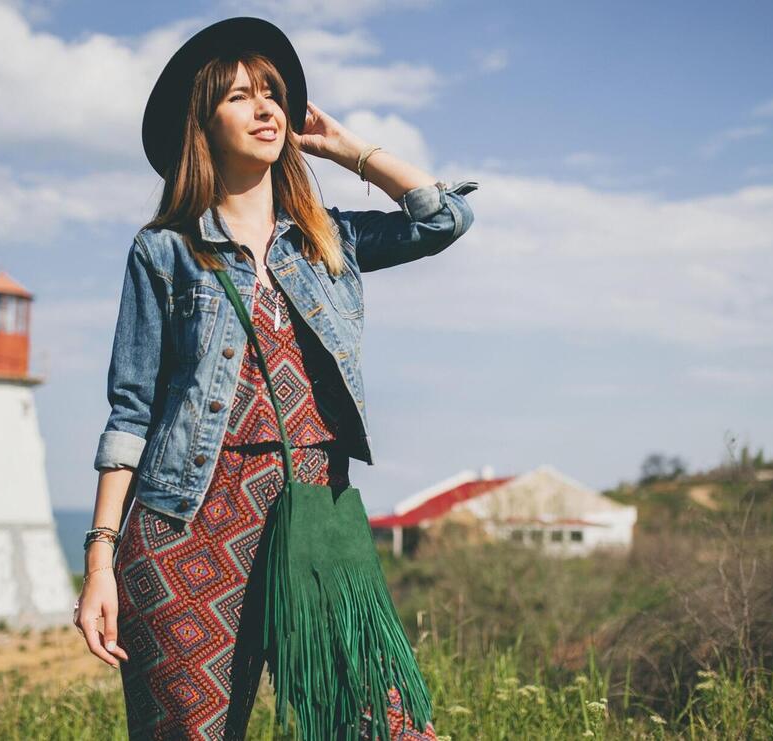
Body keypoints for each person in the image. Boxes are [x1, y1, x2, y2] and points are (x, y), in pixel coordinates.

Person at [73, 16, 478, 740]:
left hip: (312, 511)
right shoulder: (164, 249)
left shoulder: (331, 237)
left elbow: (444, 219)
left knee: (383, 728)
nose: (264, 108)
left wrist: (351, 150)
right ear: (202, 121)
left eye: (272, 93)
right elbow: (130, 412)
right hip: (186, 524)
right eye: (238, 97)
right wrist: (100, 558)